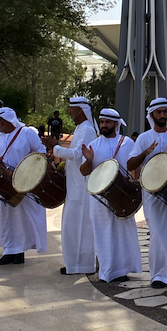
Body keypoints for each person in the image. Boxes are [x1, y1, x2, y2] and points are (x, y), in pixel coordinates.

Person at [127, 97, 167, 290]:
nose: (162, 115)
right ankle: (159, 275)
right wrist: (144, 153)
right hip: (152, 192)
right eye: (158, 112)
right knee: (157, 232)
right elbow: (130, 164)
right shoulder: (144, 138)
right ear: (152, 115)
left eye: (165, 112)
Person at [79, 107, 141, 283]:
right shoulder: (93, 145)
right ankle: (107, 271)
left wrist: (136, 184)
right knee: (103, 232)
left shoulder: (127, 143)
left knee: (123, 231)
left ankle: (122, 269)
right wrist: (89, 160)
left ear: (116, 124)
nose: (104, 125)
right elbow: (83, 171)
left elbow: (133, 166)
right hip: (99, 198)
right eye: (102, 122)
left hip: (122, 195)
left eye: (107, 122)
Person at [0, 107, 48, 265]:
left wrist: (27, 170)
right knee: (6, 218)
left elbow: (41, 152)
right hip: (3, 183)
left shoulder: (27, 133)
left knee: (22, 218)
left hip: (24, 182)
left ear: (6, 121)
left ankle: (20, 250)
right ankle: (9, 249)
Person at [46, 96, 97, 276]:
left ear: (80, 110)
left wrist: (56, 147)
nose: (69, 112)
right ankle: (73, 263)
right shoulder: (80, 128)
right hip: (74, 185)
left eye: (71, 109)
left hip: (81, 187)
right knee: (71, 225)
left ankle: (82, 264)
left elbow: (77, 154)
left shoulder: (88, 130)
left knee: (80, 225)